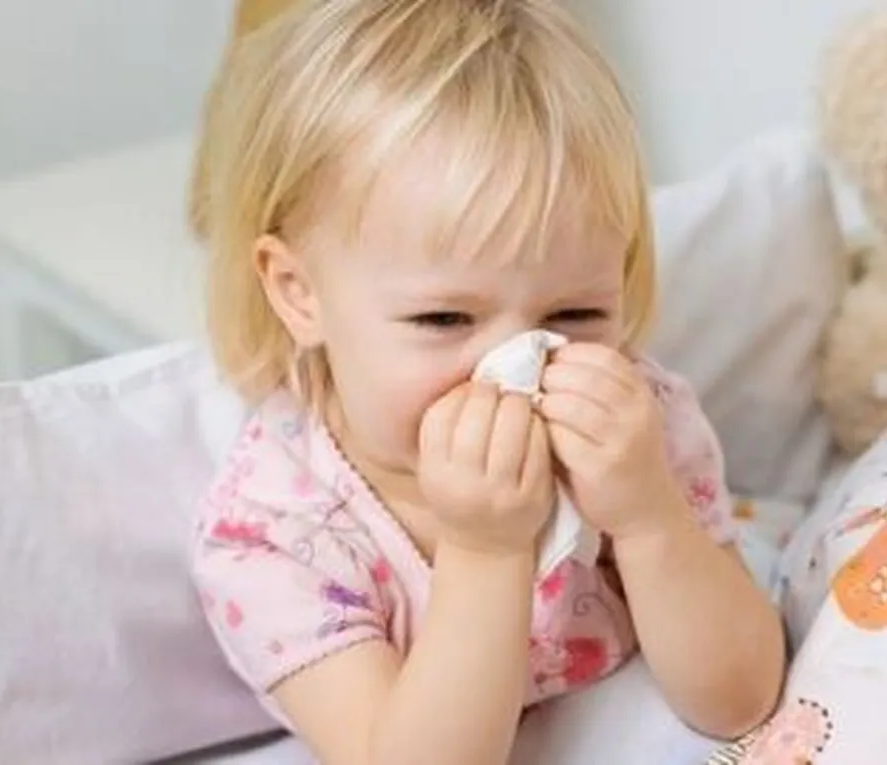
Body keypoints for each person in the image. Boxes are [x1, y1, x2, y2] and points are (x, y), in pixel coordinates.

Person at [188, 1, 785, 762]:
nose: (516, 370)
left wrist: (647, 515)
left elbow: (743, 699)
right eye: (443, 319)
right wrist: (486, 552)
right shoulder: (275, 532)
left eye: (573, 313)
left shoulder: (636, 425)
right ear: (299, 293)